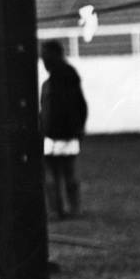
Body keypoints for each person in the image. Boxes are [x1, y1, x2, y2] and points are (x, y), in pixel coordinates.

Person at [39, 40, 88, 220]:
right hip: (69, 132)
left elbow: (51, 110)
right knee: (68, 171)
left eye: (44, 56)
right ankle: (74, 208)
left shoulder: (54, 82)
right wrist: (79, 127)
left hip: (54, 133)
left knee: (52, 173)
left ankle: (56, 209)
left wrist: (44, 129)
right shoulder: (70, 76)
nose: (43, 60)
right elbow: (81, 105)